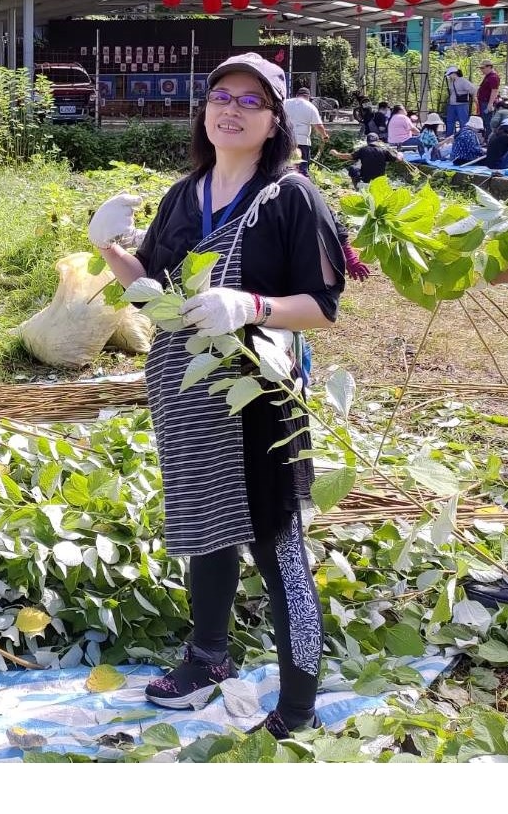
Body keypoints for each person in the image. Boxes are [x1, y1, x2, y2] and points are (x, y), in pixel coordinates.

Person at [90, 52, 345, 740]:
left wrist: (251, 304)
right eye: (219, 96)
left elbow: (321, 307)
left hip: (256, 395)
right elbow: (150, 285)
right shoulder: (182, 195)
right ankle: (206, 658)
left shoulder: (289, 197)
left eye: (250, 101)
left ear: (273, 123)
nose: (229, 109)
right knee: (205, 524)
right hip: (185, 389)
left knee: (275, 544)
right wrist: (110, 247)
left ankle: (295, 710)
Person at [283, 87, 328, 175]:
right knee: (302, 168)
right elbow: (318, 126)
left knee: (284, 166)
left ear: (297, 95)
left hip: (284, 139)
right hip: (302, 141)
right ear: (308, 97)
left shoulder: (285, 103)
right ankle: (302, 184)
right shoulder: (310, 106)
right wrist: (324, 136)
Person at [331, 133, 397, 186]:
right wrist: (400, 154)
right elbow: (397, 159)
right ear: (378, 141)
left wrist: (336, 154)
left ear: (367, 141)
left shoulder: (363, 150)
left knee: (353, 168)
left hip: (366, 180)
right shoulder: (384, 150)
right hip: (379, 180)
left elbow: (349, 156)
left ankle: (357, 187)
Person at [446, 66, 476, 135]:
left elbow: (473, 89)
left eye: (450, 74)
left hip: (461, 104)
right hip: (452, 104)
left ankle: (464, 136)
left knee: (463, 121)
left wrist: (473, 96)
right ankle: (449, 136)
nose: (449, 76)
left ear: (454, 73)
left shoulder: (463, 81)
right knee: (450, 121)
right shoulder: (452, 81)